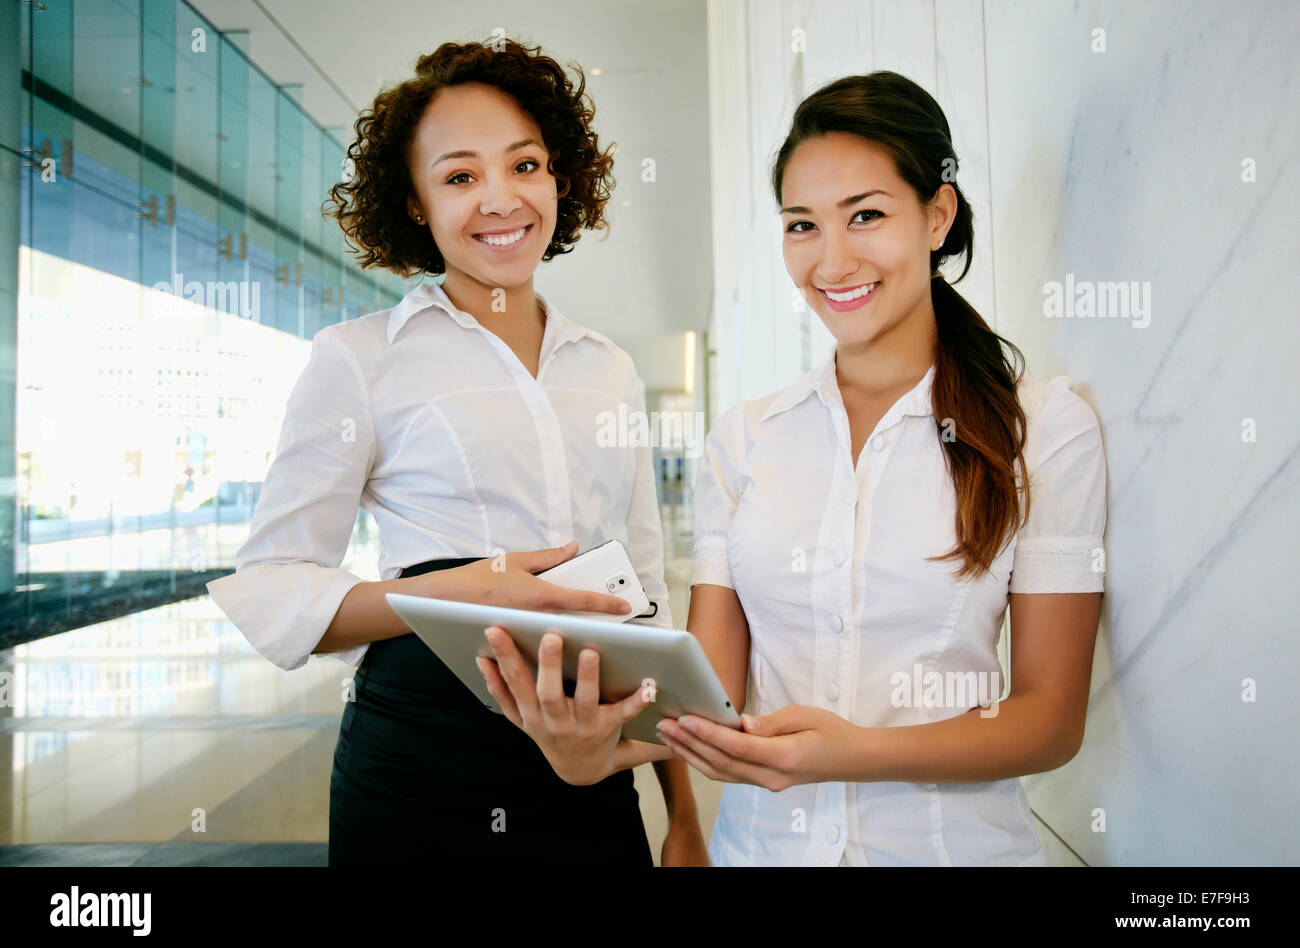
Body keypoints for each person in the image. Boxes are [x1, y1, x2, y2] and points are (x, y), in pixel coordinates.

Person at [206, 37, 707, 866]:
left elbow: (645, 601)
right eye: (460, 176)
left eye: (526, 165)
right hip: (420, 759)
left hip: (591, 754)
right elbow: (271, 586)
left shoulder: (608, 369)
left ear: (560, 178)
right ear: (414, 203)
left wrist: (682, 814)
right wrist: (460, 591)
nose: (501, 200)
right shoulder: (360, 358)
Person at [653, 71, 1108, 865]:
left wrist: (850, 752)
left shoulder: (1044, 429)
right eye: (802, 225)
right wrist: (598, 721)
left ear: (938, 214)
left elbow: (1051, 717)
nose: (831, 261)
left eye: (865, 215)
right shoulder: (744, 438)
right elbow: (712, 699)